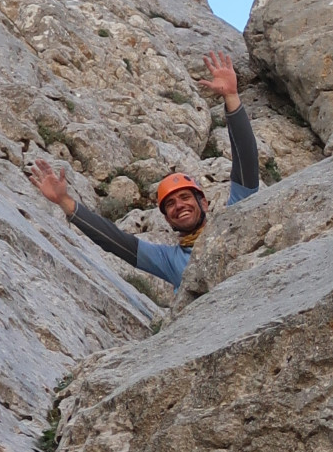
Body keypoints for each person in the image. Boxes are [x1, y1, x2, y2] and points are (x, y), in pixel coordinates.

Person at [27, 49, 260, 290]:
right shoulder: (170, 262)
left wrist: (231, 97)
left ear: (204, 202)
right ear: (167, 219)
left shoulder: (233, 221)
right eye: (170, 204)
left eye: (184, 197)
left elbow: (246, 161)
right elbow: (117, 243)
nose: (178, 205)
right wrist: (65, 202)